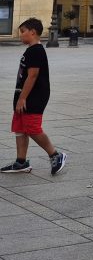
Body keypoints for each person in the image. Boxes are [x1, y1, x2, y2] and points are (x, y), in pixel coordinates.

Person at [1, 18, 66, 175]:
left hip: (33, 96)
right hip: (23, 94)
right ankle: (21, 162)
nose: (21, 35)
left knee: (32, 128)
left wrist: (23, 98)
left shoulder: (36, 50)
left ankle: (56, 155)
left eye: (23, 31)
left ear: (33, 32)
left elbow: (33, 75)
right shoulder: (30, 50)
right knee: (20, 128)